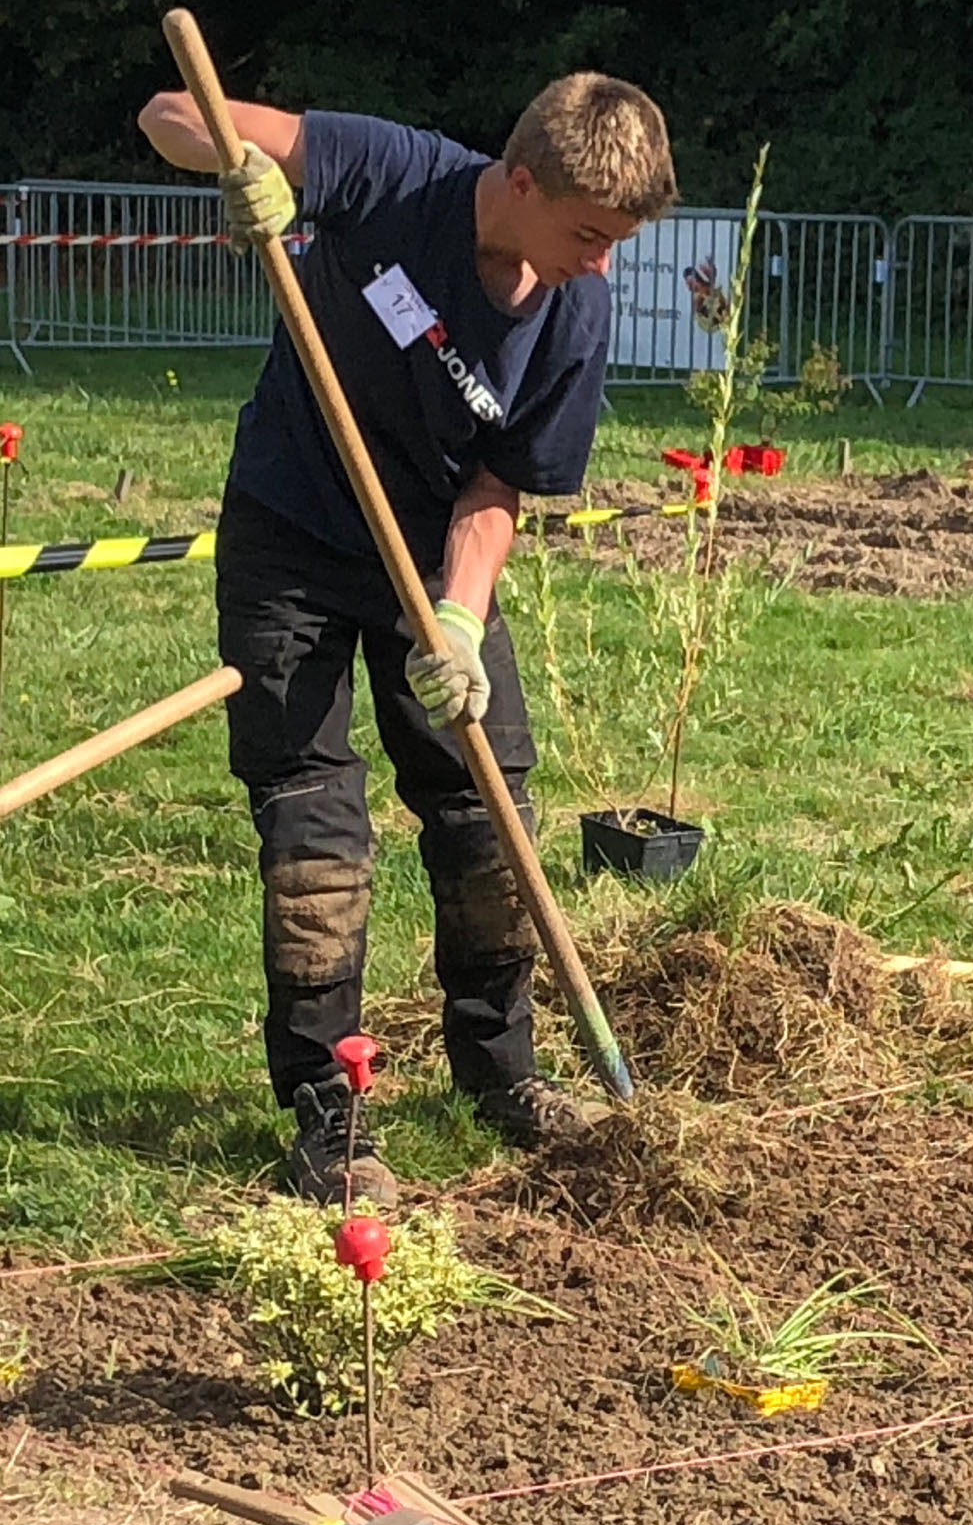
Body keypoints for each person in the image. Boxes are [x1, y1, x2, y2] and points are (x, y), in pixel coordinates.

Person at [137, 72, 678, 1209]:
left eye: (616, 243)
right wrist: (241, 168)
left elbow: (500, 485)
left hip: (429, 559)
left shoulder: (575, 312)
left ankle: (502, 1071)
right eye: (589, 234)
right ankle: (328, 1114)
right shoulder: (395, 175)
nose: (601, 263)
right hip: (291, 533)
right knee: (315, 824)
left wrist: (461, 620)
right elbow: (171, 112)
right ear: (520, 182)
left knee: (485, 805)